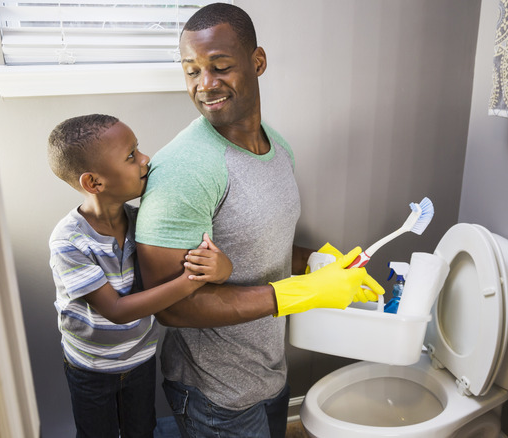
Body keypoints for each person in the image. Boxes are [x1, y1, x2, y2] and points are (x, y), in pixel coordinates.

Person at [134, 3, 384, 437]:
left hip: (268, 371)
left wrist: (319, 263)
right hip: (216, 394)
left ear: (258, 62)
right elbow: (170, 307)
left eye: (221, 66)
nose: (205, 85)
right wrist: (300, 293)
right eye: (191, 71)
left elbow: (255, 242)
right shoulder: (185, 168)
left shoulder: (278, 148)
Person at [47, 113, 233, 438]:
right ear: (94, 183)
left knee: (141, 431)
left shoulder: (142, 222)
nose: (146, 159)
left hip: (140, 359)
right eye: (131, 156)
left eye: (139, 150)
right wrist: (195, 278)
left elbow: (207, 264)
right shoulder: (69, 242)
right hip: (92, 368)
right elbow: (117, 311)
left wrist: (222, 268)